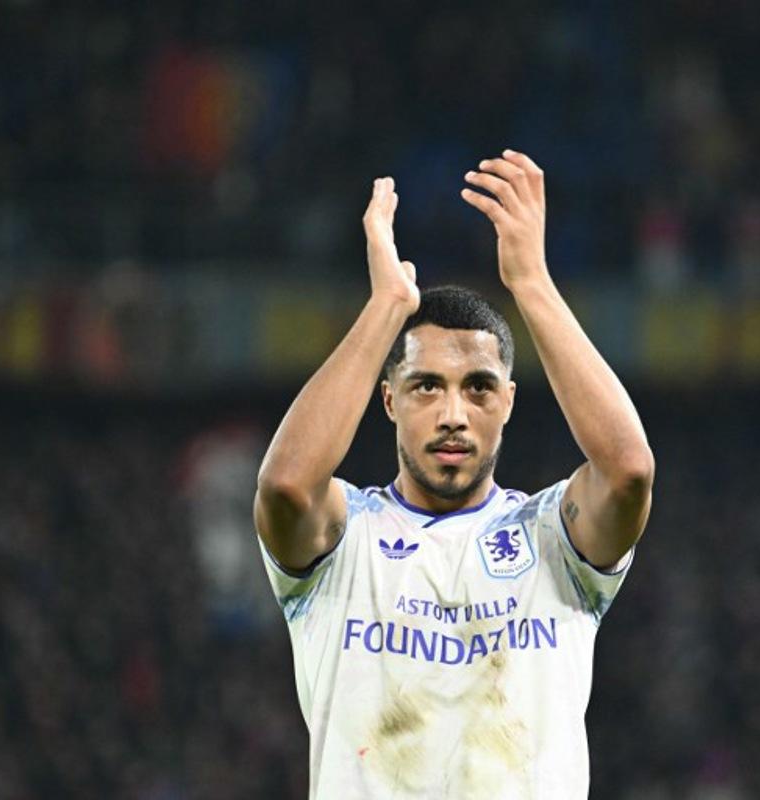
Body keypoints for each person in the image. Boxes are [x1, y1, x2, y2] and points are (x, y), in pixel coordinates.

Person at [255, 150, 655, 799]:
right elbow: (283, 487)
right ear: (388, 400)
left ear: (508, 402)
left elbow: (630, 471)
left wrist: (531, 283)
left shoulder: (554, 539)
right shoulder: (345, 537)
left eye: (477, 388)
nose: (452, 415)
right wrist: (386, 307)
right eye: (424, 387)